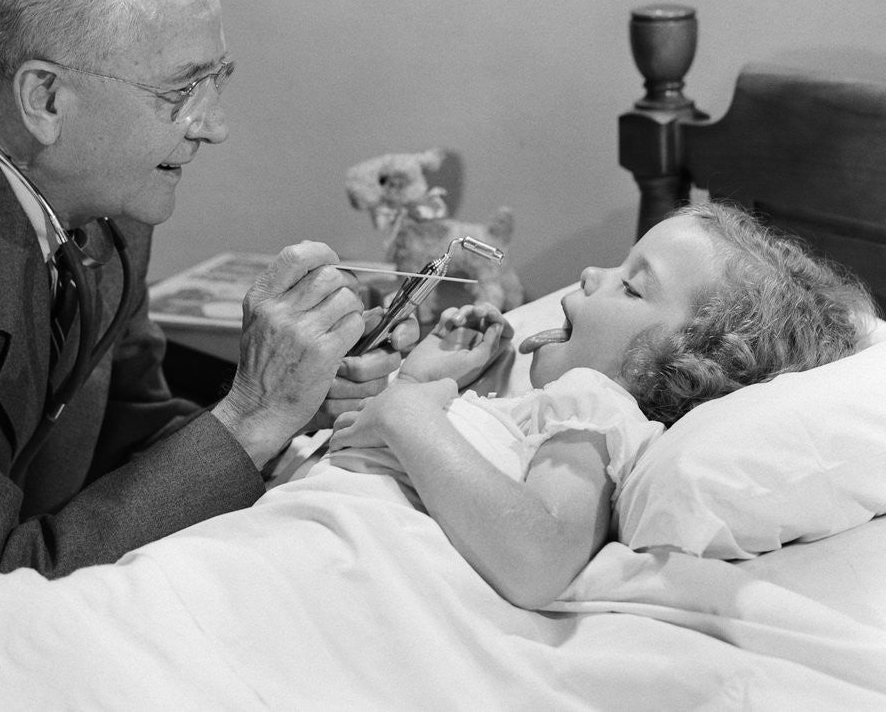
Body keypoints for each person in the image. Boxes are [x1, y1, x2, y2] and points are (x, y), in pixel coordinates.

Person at [0, 0, 412, 580]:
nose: (215, 126)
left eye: (218, 78)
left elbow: (132, 435)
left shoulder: (106, 196)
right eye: (181, 92)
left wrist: (298, 400)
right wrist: (252, 413)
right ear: (47, 99)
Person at [327, 201, 876, 609]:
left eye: (632, 287)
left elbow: (540, 559)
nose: (592, 274)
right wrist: (433, 381)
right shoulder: (550, 409)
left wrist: (411, 413)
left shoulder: (595, 408)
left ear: (678, 368)